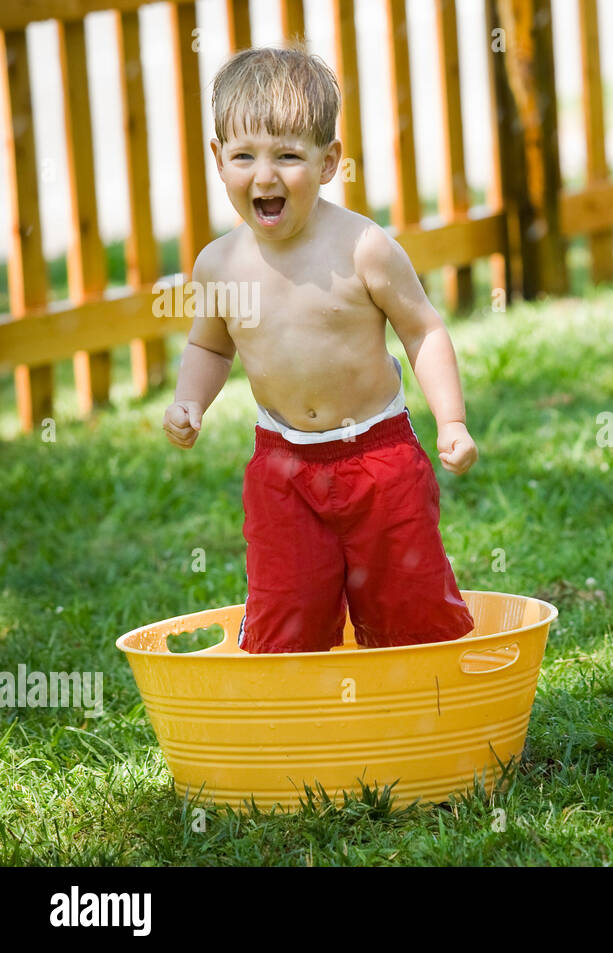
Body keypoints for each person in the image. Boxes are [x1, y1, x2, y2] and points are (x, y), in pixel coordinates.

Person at [162, 47, 476, 653]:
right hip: (282, 466)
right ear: (217, 160)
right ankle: (304, 731)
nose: (265, 175)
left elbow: (423, 330)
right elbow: (209, 346)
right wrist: (188, 402)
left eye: (288, 155)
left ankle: (418, 716)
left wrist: (452, 420)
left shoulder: (364, 247)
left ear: (329, 161)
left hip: (379, 460)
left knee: (409, 607)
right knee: (287, 614)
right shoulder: (220, 264)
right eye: (244, 156)